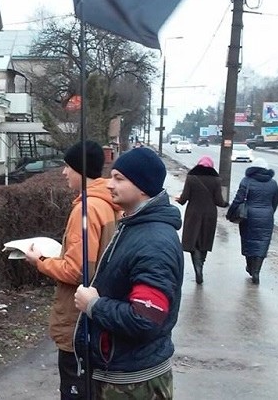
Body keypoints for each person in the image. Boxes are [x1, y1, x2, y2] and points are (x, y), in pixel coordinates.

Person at [73, 147, 183, 399]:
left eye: (119, 178)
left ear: (143, 187)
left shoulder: (154, 242)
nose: (109, 184)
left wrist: (94, 305)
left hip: (135, 383)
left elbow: (145, 318)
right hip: (123, 373)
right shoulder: (134, 226)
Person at [25, 140, 119, 400]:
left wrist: (40, 261)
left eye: (68, 167)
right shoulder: (108, 203)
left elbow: (77, 271)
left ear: (81, 169)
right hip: (100, 319)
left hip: (79, 324)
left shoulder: (86, 209)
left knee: (76, 391)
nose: (64, 173)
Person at [174, 155, 228, 284]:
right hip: (209, 214)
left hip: (193, 213)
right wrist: (226, 204)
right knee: (205, 240)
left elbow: (184, 198)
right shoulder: (216, 180)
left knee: (193, 241)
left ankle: (197, 267)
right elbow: (219, 201)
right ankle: (201, 265)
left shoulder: (191, 178)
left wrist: (179, 199)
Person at [227, 157, 278, 285]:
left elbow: (238, 199)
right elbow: (275, 201)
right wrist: (269, 212)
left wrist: (230, 213)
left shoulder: (246, 181)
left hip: (248, 216)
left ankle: (250, 267)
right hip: (267, 217)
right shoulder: (273, 183)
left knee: (248, 242)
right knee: (262, 243)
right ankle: (256, 271)